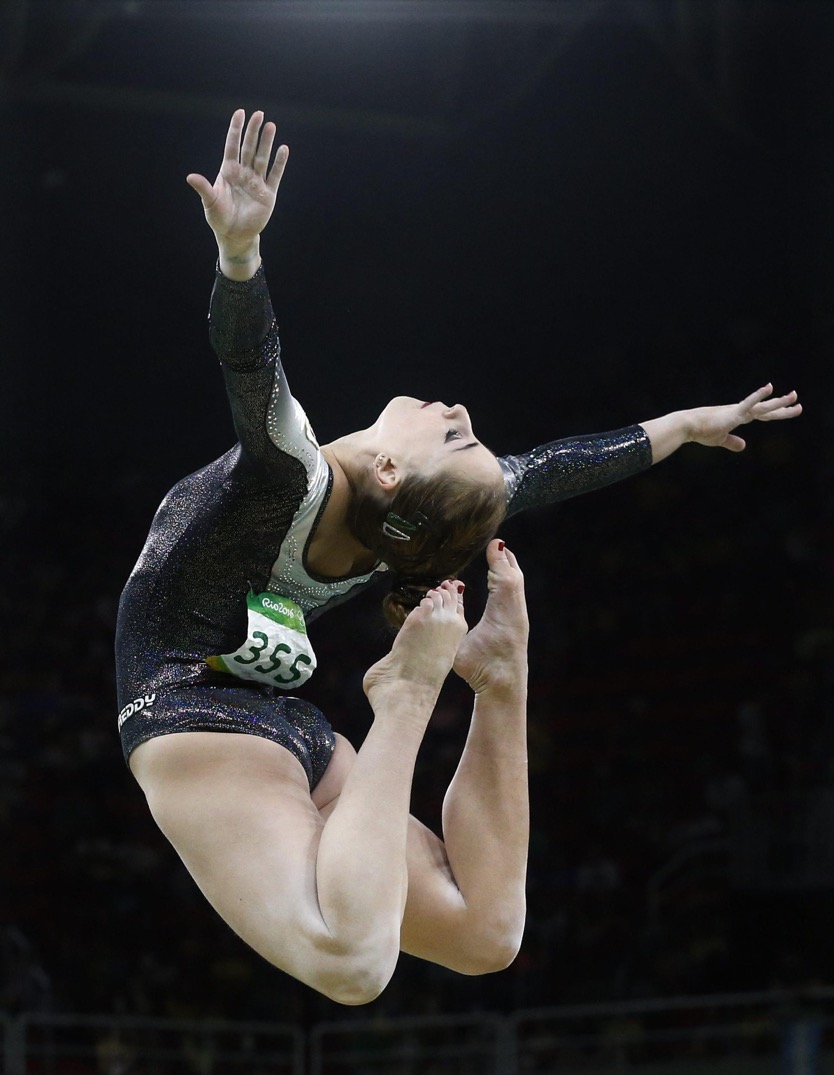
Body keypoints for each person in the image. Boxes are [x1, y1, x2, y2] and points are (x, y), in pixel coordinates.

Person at [116, 109, 801, 1004]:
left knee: (355, 964)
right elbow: (553, 468)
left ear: (391, 472)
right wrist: (682, 425)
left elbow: (252, 363)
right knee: (486, 936)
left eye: (456, 437)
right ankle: (500, 678)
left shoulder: (291, 473)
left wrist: (239, 253)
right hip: (289, 734)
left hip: (187, 716)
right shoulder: (415, 530)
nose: (463, 415)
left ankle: (409, 696)